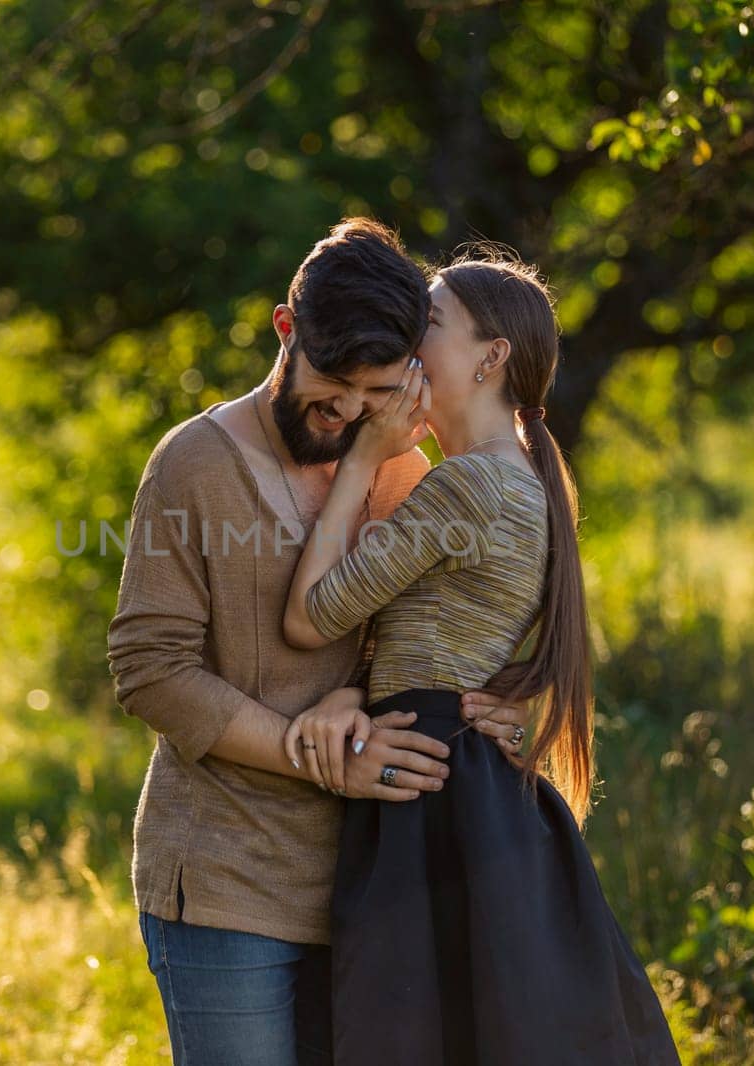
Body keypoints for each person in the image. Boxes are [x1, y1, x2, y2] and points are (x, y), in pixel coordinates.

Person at [106, 219, 537, 1066]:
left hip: (372, 878)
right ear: (285, 331)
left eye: (374, 396)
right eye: (330, 389)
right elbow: (150, 671)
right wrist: (315, 754)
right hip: (228, 883)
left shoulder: (401, 468)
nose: (346, 416)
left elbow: (406, 634)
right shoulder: (194, 463)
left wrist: (479, 699)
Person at [280, 248, 683, 1065]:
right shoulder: (522, 477)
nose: (407, 341)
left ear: (490, 358)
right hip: (459, 775)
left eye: (428, 324)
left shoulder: (469, 487)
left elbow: (310, 616)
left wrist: (361, 458)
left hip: (430, 782)